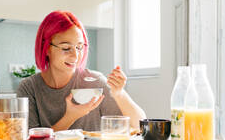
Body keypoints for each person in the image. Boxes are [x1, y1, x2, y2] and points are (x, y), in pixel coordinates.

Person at [17, 10, 146, 131]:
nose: (75, 56)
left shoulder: (95, 82)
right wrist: (70, 116)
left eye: (79, 47)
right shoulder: (29, 88)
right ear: (46, 48)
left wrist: (119, 94)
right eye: (66, 48)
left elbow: (141, 125)